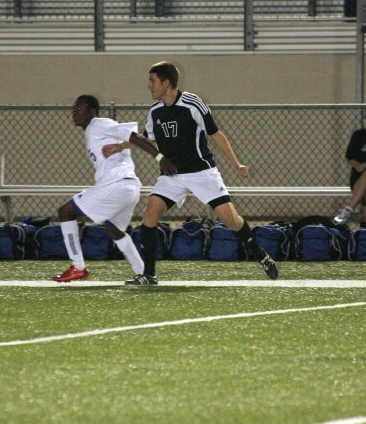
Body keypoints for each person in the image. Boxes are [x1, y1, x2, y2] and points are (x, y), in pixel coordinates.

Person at [103, 62, 279, 285]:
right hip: (172, 175)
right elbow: (147, 139)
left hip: (201, 172)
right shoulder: (155, 111)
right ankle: (149, 274)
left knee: (231, 220)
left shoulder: (192, 104)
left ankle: (259, 254)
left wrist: (236, 163)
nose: (149, 85)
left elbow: (216, 135)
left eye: (152, 81)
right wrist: (119, 146)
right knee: (149, 214)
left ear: (166, 83)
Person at [52, 94, 177, 282]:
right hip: (127, 187)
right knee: (112, 228)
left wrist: (160, 158)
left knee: (66, 212)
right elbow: (129, 138)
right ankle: (144, 272)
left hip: (118, 185)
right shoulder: (93, 131)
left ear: (92, 111)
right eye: (74, 109)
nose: (74, 113)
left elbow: (135, 137)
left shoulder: (98, 124)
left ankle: (78, 267)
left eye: (80, 109)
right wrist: (119, 147)